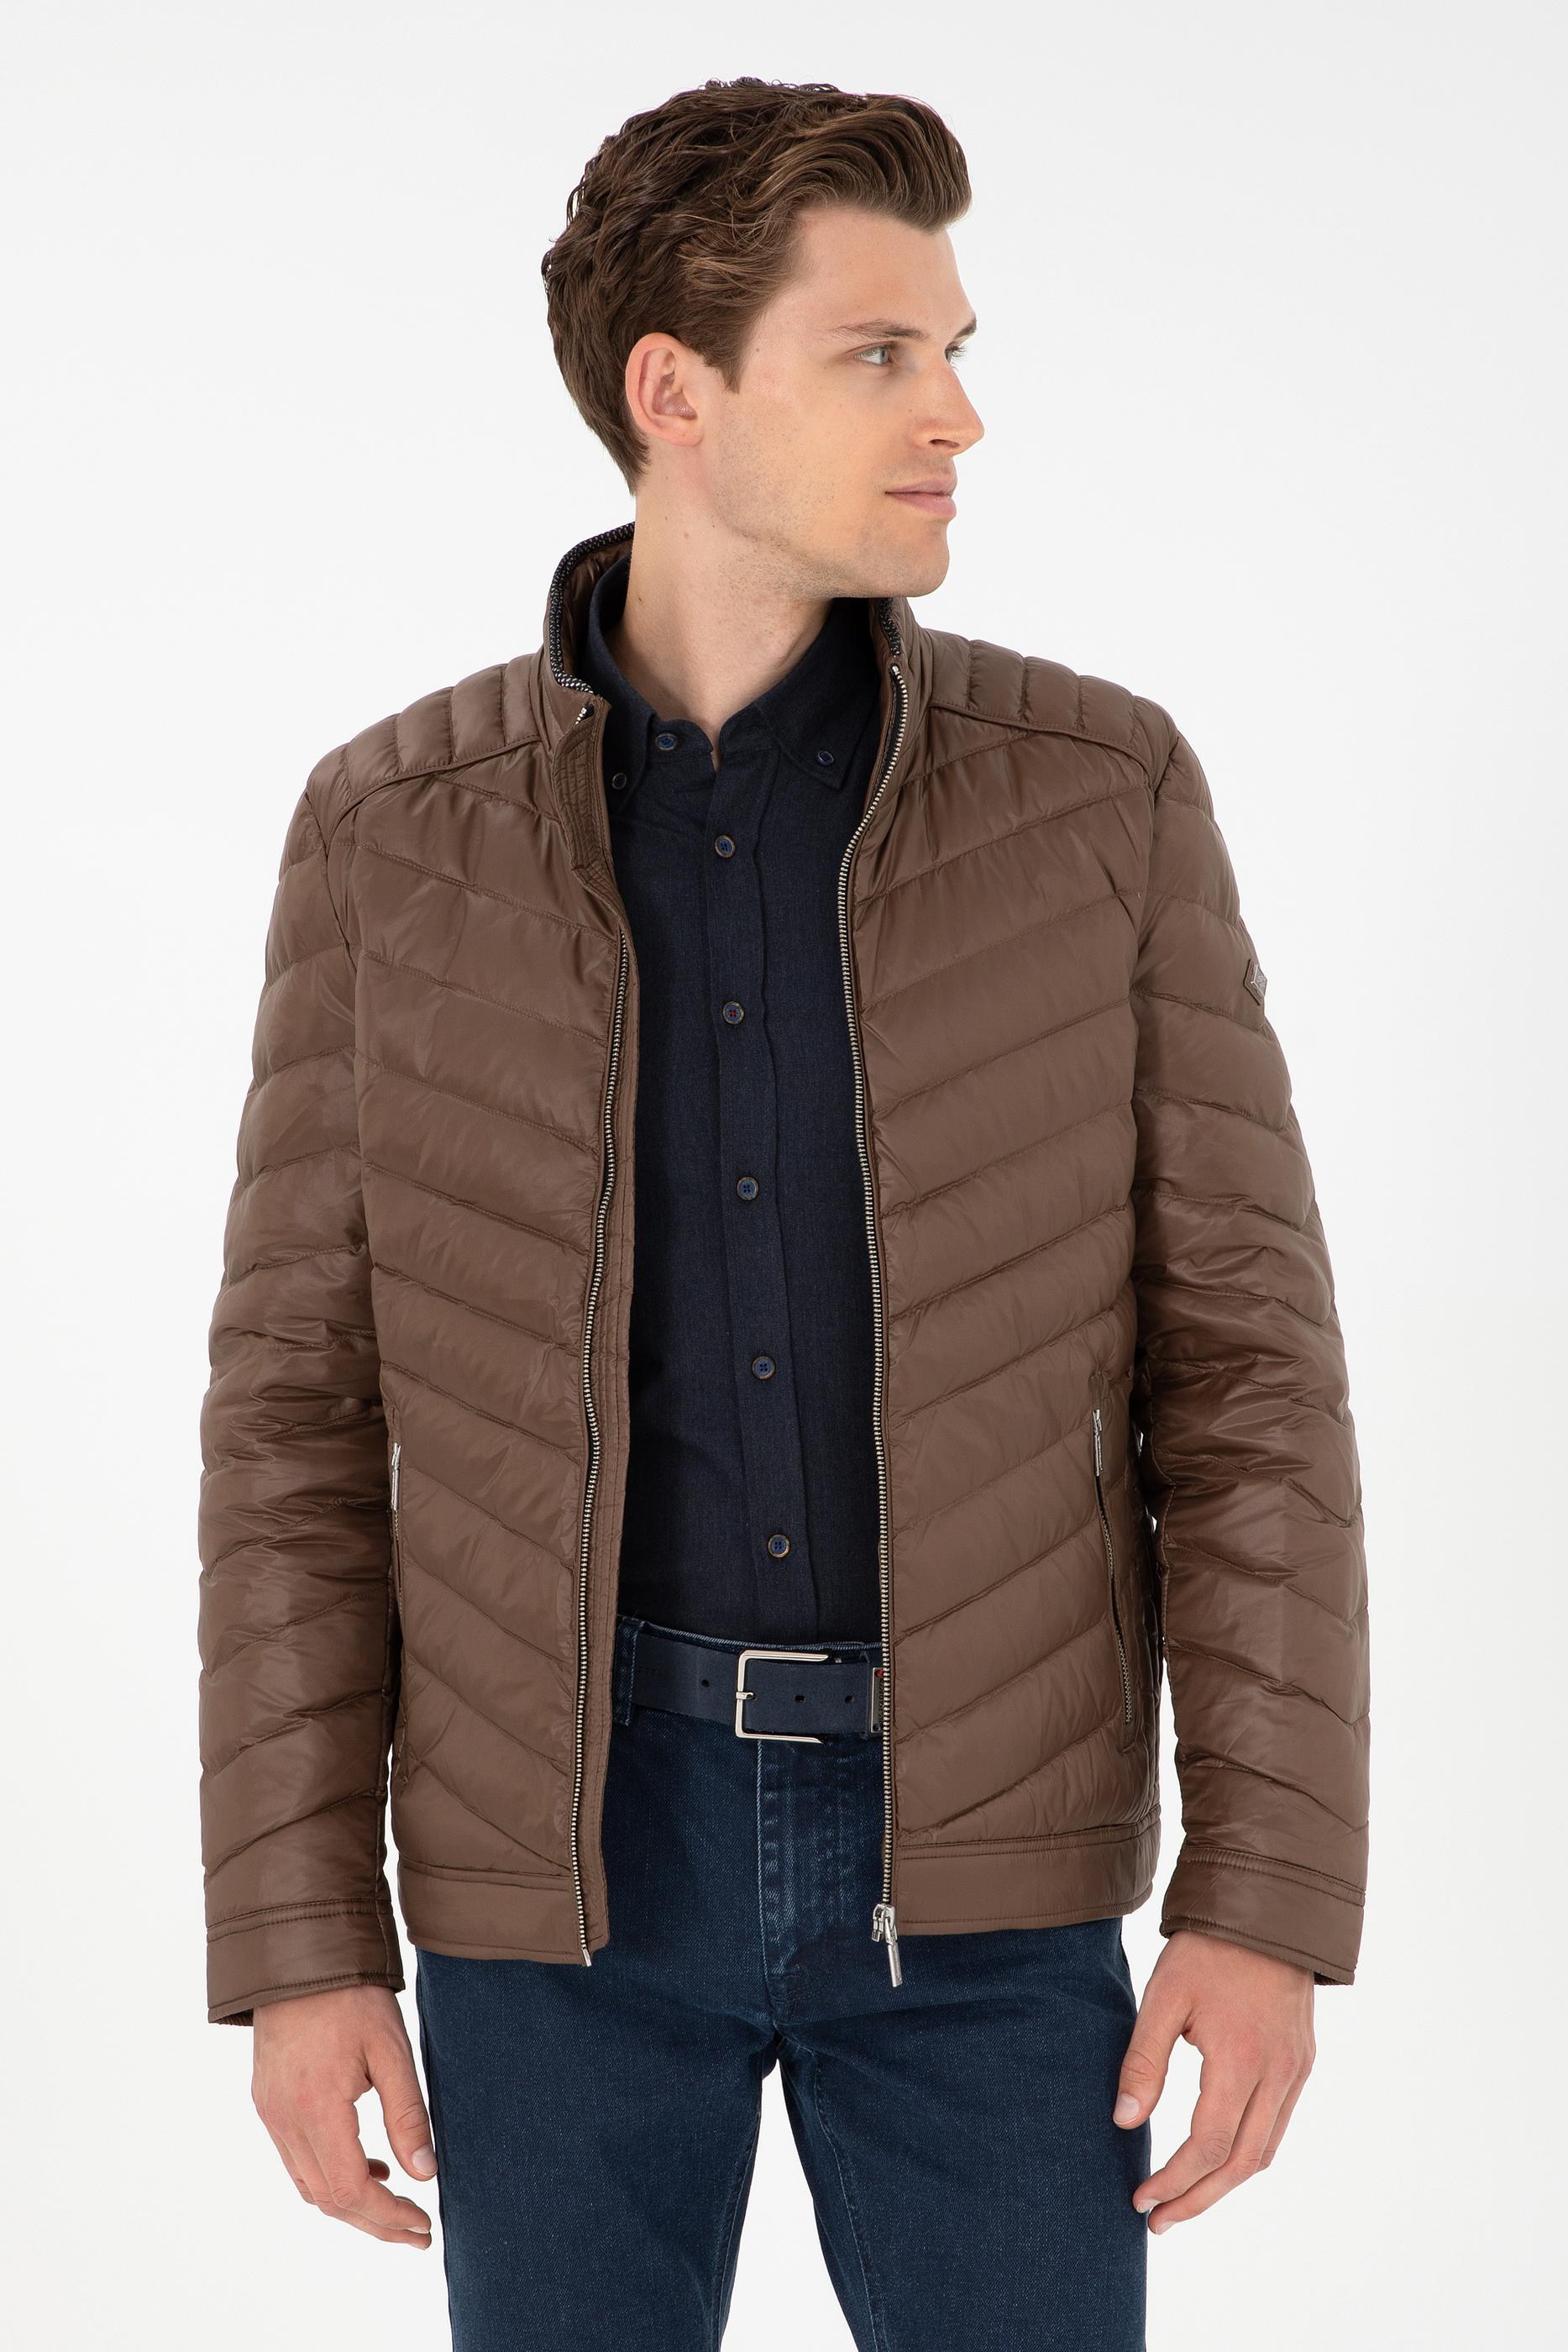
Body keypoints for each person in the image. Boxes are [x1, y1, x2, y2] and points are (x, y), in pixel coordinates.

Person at [197, 76, 1369, 2352]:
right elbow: (296, 1430)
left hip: (991, 1880)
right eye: (880, 354)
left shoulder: (1099, 795)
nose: (959, 414)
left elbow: (1245, 1375)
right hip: (556, 1891)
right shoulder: (389, 836)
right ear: (677, 393)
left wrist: (1261, 1891)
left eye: (954, 350)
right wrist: (302, 1939)